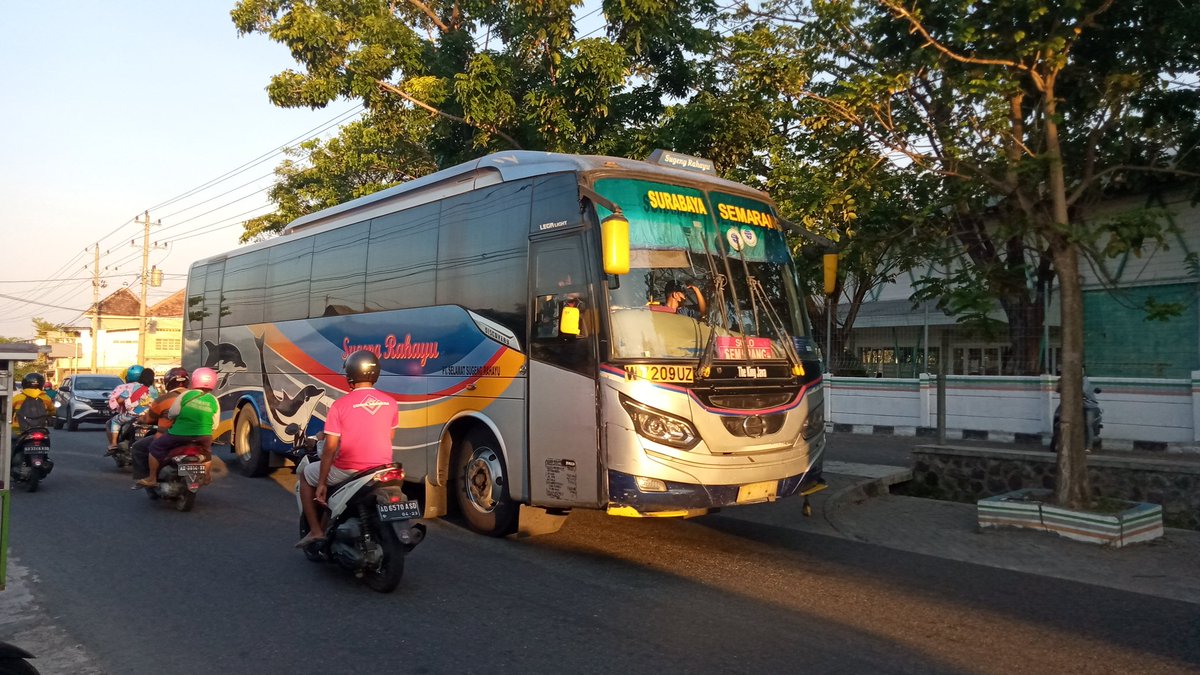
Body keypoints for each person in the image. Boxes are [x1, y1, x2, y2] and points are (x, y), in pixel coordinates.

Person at [296, 350, 399, 548]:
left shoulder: (340, 406)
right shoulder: (391, 403)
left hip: (349, 469)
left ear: (350, 374)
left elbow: (330, 449)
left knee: (306, 475)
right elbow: (389, 436)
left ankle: (316, 531)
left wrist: (322, 483)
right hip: (382, 468)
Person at [137, 368, 219, 488]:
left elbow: (173, 413)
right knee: (207, 454)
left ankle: (152, 478)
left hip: (179, 434)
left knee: (155, 448)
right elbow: (215, 424)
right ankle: (206, 477)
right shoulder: (214, 400)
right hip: (204, 436)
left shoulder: (185, 395)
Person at [130, 367, 190, 484]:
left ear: (168, 383)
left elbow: (148, 419)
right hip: (198, 435)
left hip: (171, 435)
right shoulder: (198, 397)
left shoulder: (164, 399)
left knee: (139, 447)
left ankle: (149, 479)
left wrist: (141, 419)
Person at [107, 365, 159, 454]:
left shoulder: (129, 388)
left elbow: (118, 401)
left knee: (115, 421)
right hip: (149, 417)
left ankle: (114, 444)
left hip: (132, 416)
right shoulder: (154, 390)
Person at [11, 373, 56, 440]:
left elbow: (8, 411)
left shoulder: (17, 398)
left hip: (19, 431)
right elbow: (53, 411)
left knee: (9, 444)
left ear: (24, 384)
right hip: (40, 430)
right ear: (41, 384)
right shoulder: (46, 398)